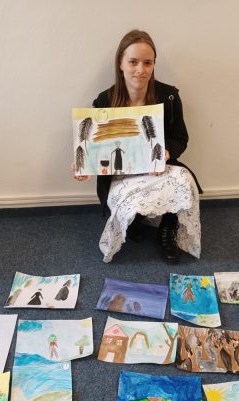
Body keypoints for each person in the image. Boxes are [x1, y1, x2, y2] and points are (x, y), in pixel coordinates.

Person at [74, 30, 202, 263]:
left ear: (153, 65)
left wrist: (165, 153)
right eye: (133, 62)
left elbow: (180, 138)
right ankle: (134, 219)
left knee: (184, 181)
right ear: (120, 64)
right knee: (128, 204)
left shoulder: (169, 97)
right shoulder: (104, 101)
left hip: (156, 169)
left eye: (147, 63)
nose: (140, 69)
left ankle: (168, 228)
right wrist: (85, 165)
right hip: (121, 174)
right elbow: (95, 146)